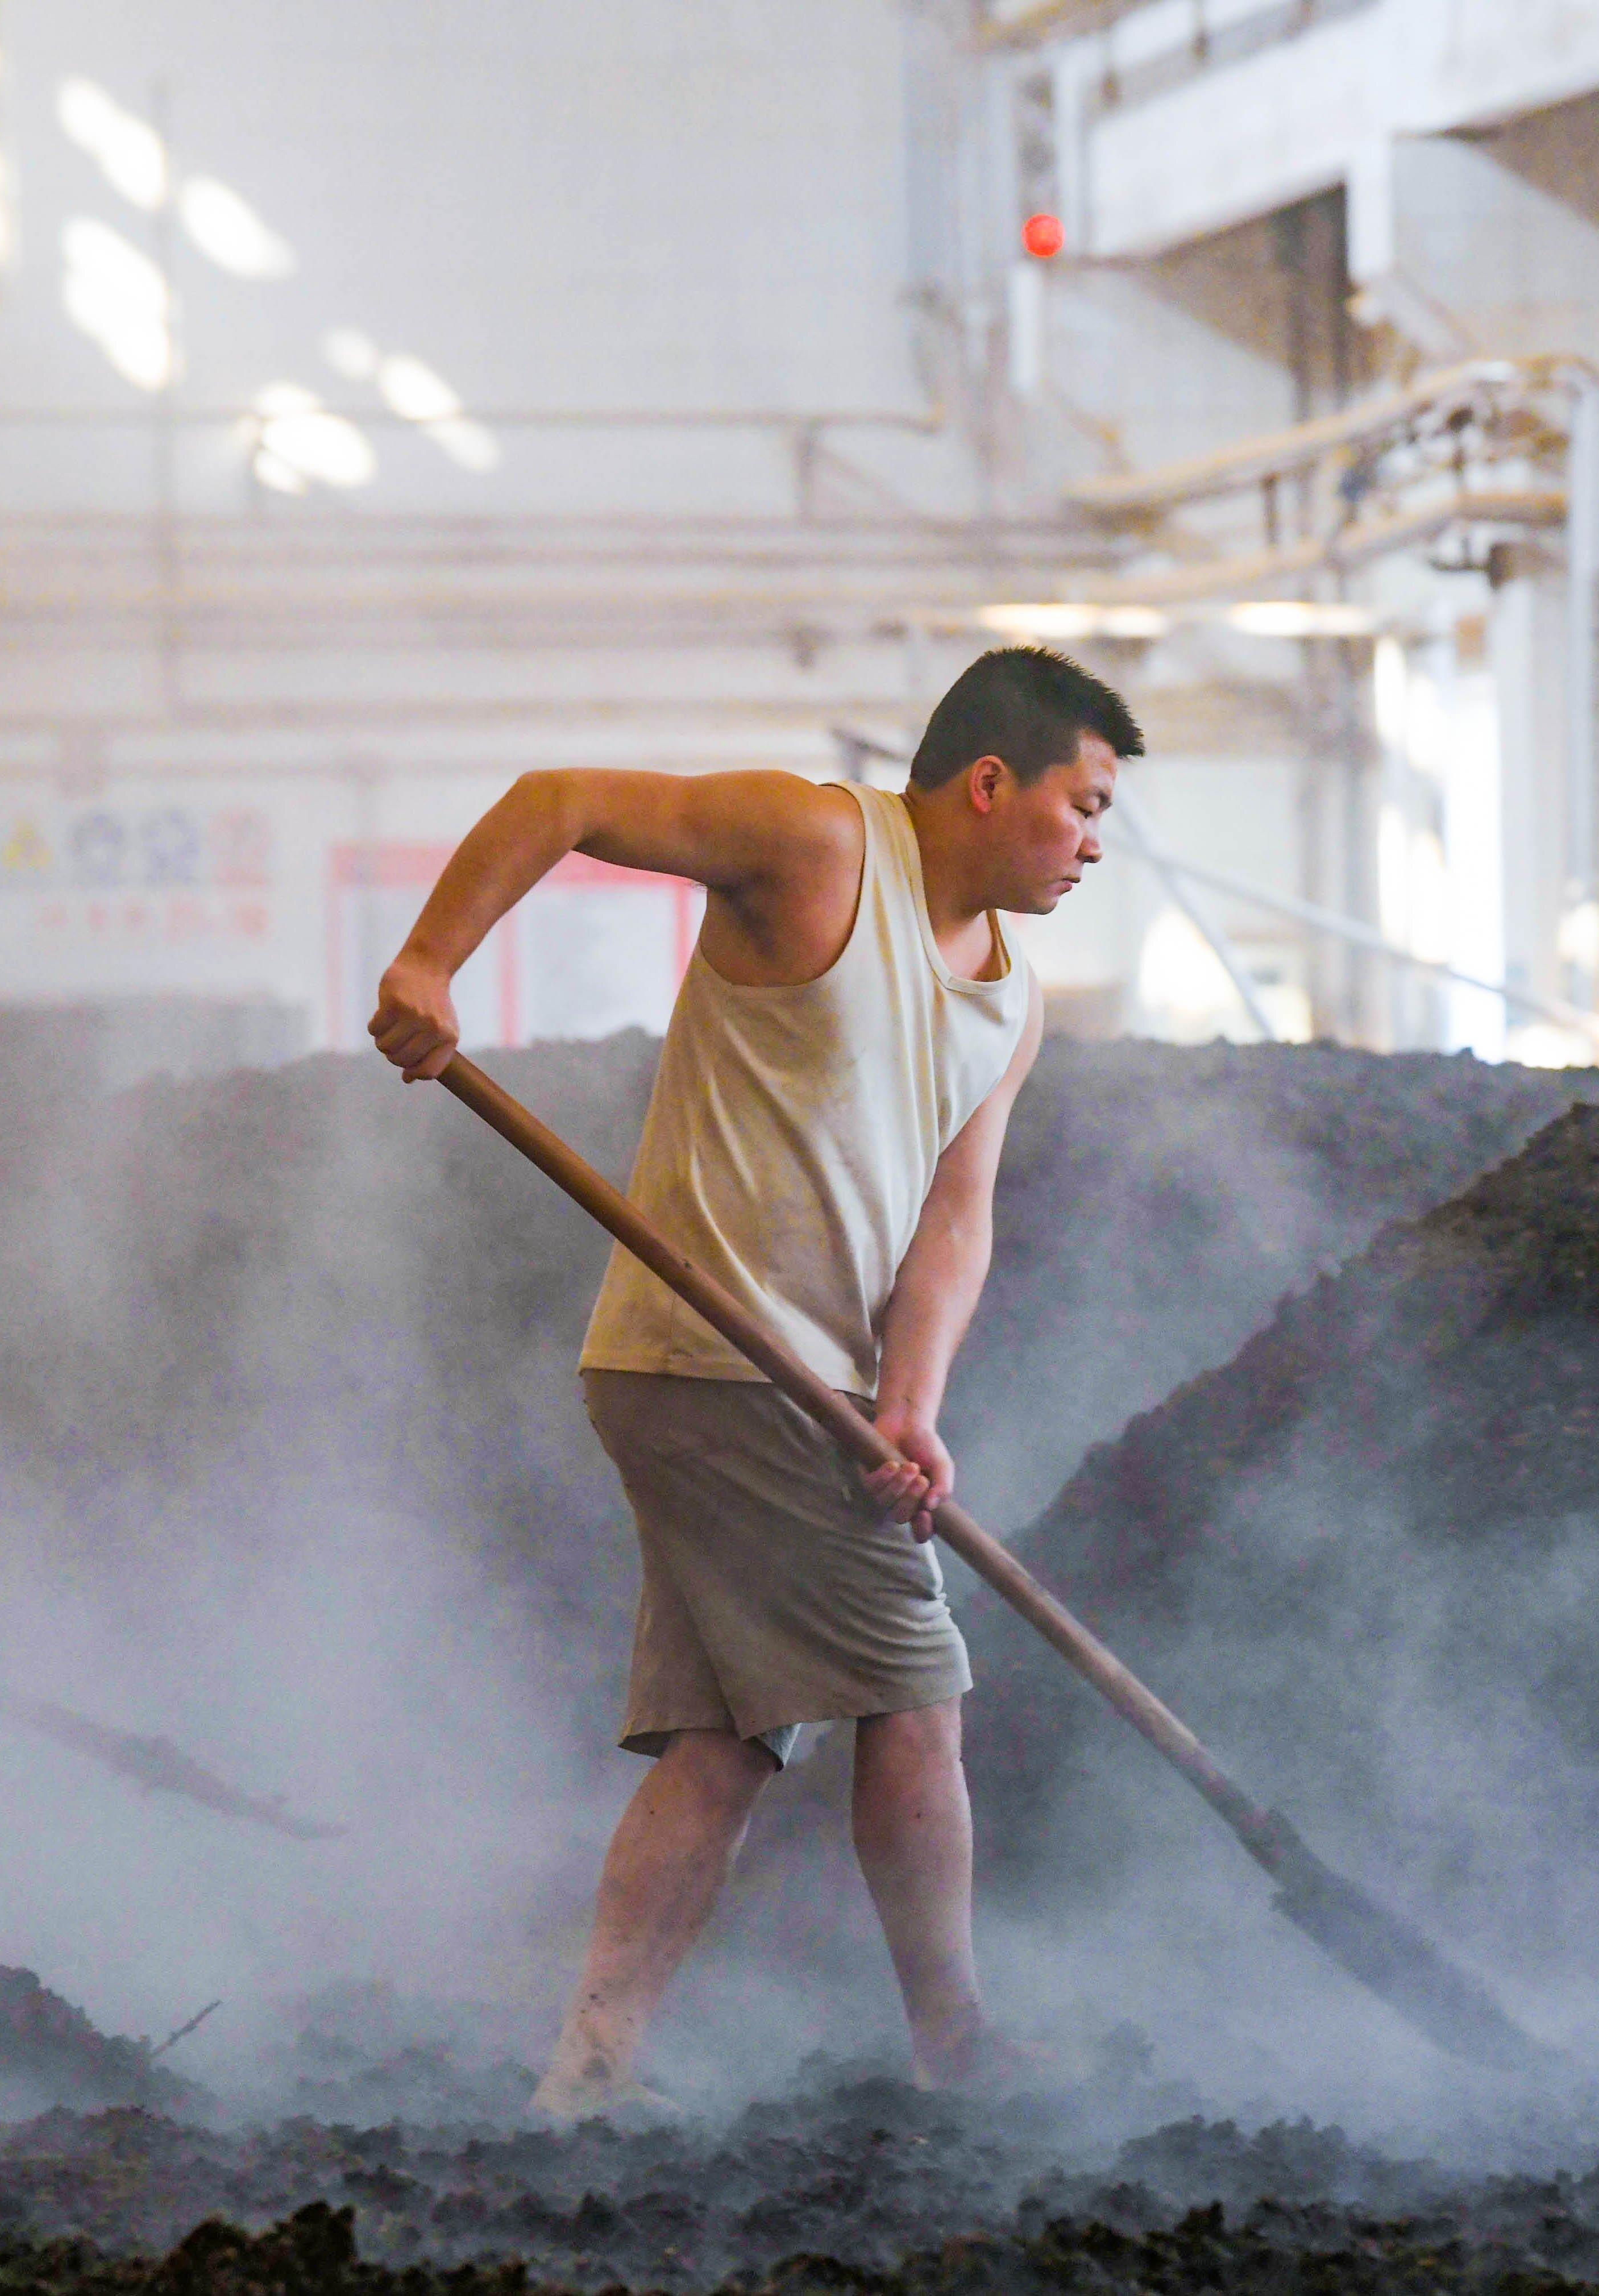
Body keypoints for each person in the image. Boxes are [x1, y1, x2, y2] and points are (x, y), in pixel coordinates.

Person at [366, 647, 1137, 2109]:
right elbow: (563, 797)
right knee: (916, 1693)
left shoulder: (1010, 998)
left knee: (723, 1748)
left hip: (806, 1389)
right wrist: (427, 963)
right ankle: (959, 2052)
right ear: (990, 781)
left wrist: (909, 1400)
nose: (1095, 844)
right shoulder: (819, 843)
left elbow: (955, 1219)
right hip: (718, 1360)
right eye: (1084, 805)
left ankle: (588, 2072)